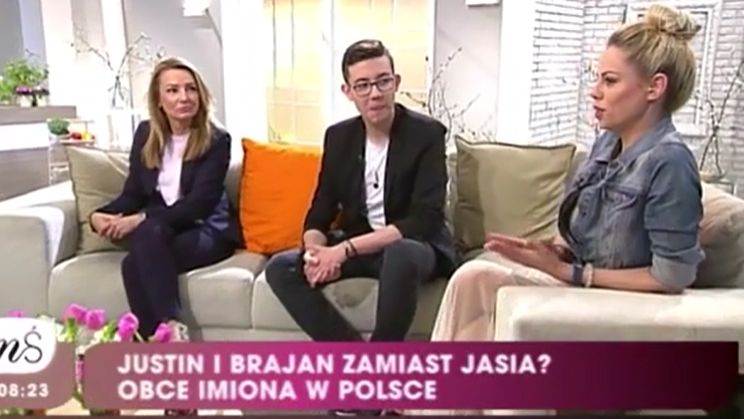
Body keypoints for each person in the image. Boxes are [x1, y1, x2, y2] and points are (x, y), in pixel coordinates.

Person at [429, 0, 704, 382]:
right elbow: (585, 237)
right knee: (474, 277)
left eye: (609, 81)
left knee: (477, 285)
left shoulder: (670, 162)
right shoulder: (607, 144)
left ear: (654, 88)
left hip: (619, 301)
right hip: (581, 283)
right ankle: (447, 396)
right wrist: (547, 252)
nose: (594, 92)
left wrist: (573, 273)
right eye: (597, 79)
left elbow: (672, 276)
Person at [265, 39, 457, 343]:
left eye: (383, 82)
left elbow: (424, 219)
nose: (375, 93)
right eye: (363, 85)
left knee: (401, 253)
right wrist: (316, 255)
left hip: (415, 247)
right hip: (362, 244)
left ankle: (382, 357)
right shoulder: (339, 137)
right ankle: (351, 354)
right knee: (281, 267)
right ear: (348, 91)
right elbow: (320, 212)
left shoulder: (426, 134)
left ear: (396, 82)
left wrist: (343, 251)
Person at [90, 57, 241, 343]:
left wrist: (140, 219)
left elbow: (198, 205)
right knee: (136, 257)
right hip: (163, 231)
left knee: (139, 251)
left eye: (191, 89)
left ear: (201, 95)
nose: (184, 97)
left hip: (207, 230)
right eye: (173, 90)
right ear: (159, 100)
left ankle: (169, 329)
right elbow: (134, 193)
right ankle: (162, 343)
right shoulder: (146, 134)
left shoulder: (217, 139)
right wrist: (98, 215)